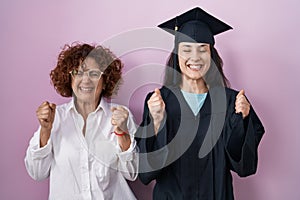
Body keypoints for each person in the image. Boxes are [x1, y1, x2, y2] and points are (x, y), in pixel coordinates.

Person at [136, 7, 265, 200]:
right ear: (177, 56)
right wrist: (155, 123)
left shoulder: (231, 102)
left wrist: (242, 120)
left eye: (202, 49)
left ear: (211, 56)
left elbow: (243, 167)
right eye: (186, 49)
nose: (195, 57)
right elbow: (145, 173)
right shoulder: (159, 101)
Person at [24, 43, 138, 200]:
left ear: (105, 81)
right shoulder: (54, 118)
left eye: (94, 74)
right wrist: (45, 130)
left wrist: (122, 133)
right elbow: (37, 173)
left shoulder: (121, 116)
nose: (86, 80)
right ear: (69, 78)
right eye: (78, 72)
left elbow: (132, 173)